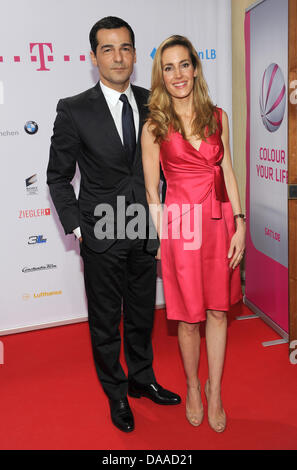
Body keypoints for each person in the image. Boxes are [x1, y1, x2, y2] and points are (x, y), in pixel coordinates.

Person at [47, 17, 181, 434]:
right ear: (94, 57)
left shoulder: (154, 102)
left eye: (125, 48)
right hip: (100, 233)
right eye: (108, 49)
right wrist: (79, 228)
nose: (118, 57)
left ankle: (142, 380)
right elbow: (57, 176)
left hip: (145, 229)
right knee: (106, 321)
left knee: (142, 314)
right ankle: (117, 393)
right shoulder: (73, 108)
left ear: (136, 55)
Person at [141, 35, 245, 433]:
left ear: (196, 68)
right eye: (168, 68)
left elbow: (228, 171)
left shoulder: (218, 117)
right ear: (161, 76)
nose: (177, 74)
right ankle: (191, 386)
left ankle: (214, 389)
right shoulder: (155, 126)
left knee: (219, 311)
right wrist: (161, 237)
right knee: (187, 319)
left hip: (220, 223)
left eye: (184, 64)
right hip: (181, 228)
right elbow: (153, 191)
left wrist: (240, 222)